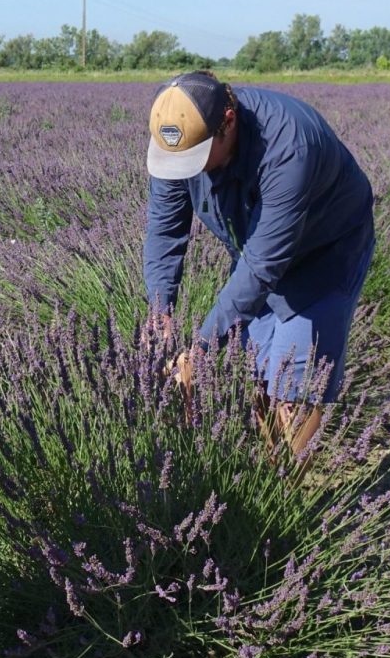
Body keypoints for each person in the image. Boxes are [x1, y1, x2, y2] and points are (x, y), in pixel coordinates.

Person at [143, 71, 375, 451]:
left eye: (194, 158)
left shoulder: (288, 147)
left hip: (324, 251)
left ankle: (292, 502)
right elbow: (165, 232)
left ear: (228, 123)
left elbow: (263, 264)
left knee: (294, 382)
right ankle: (273, 476)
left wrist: (198, 351)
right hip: (256, 247)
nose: (186, 169)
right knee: (259, 372)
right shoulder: (176, 131)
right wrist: (160, 312)